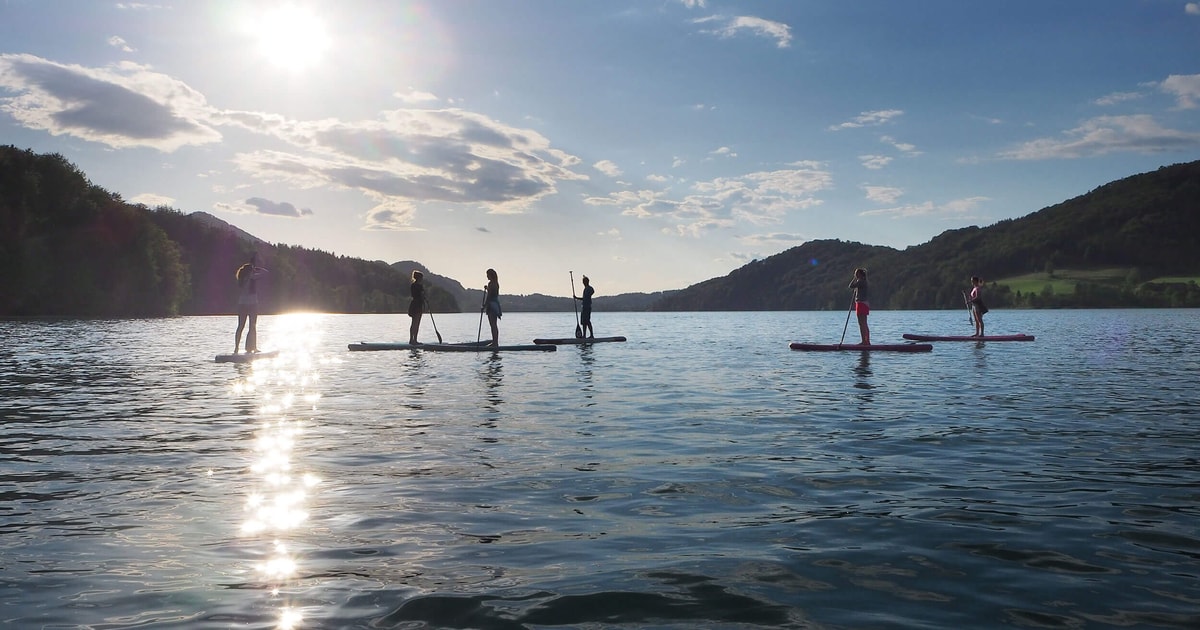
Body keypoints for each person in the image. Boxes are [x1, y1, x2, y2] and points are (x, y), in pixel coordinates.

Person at [234, 253, 268, 354]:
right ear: (251, 270)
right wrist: (257, 268)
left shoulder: (241, 278)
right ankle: (253, 347)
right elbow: (266, 273)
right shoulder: (252, 277)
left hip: (242, 304)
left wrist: (252, 268)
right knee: (252, 326)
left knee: (240, 326)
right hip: (252, 303)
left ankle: (236, 348)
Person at [849, 267, 870, 345]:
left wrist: (854, 278)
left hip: (861, 303)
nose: (855, 275)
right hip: (863, 303)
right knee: (864, 323)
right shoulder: (863, 281)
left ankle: (864, 342)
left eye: (856, 274)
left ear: (860, 274)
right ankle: (866, 341)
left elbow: (850, 286)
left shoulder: (861, 281)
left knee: (862, 324)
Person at [483, 268, 501, 346]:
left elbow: (489, 295)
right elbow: (492, 293)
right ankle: (495, 342)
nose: (487, 276)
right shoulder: (496, 283)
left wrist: (484, 305)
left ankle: (495, 343)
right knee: (494, 324)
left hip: (491, 305)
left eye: (487, 275)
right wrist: (487, 289)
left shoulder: (491, 283)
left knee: (492, 324)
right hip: (496, 304)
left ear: (491, 275)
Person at [408, 270, 425, 344]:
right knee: (417, 323)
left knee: (413, 323)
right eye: (422, 278)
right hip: (418, 305)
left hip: (413, 304)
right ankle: (415, 340)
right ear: (420, 278)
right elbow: (422, 296)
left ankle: (411, 339)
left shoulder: (413, 285)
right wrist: (425, 300)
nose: (422, 279)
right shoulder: (419, 286)